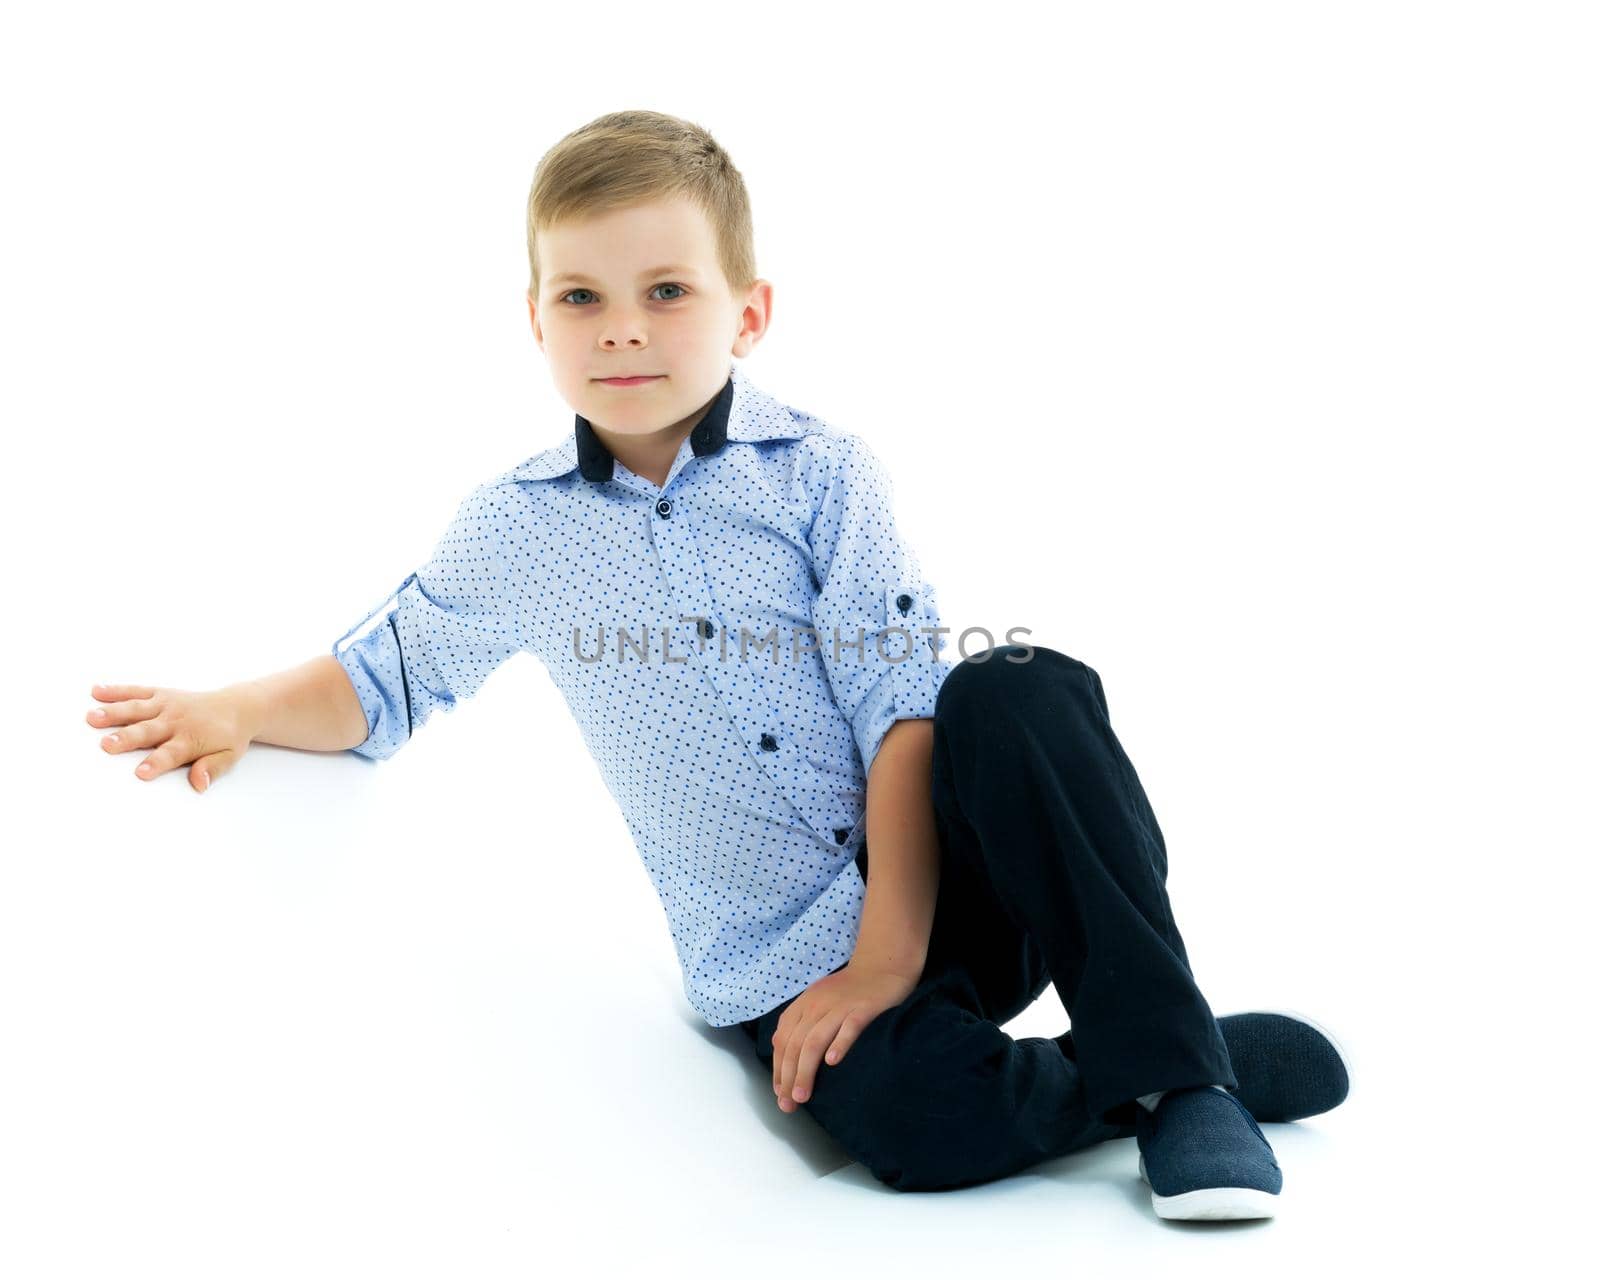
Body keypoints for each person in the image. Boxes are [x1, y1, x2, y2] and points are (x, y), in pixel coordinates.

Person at [83, 108, 1349, 1219]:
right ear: (533, 318)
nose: (621, 331)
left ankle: (1181, 1084)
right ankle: (1148, 1058)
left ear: (747, 311)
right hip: (783, 960)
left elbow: (899, 709)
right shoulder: (516, 526)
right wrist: (235, 706)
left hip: (950, 886)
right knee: (918, 1129)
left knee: (1010, 686)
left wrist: (892, 950)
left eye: (666, 292)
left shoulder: (821, 474)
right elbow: (385, 676)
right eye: (580, 296)